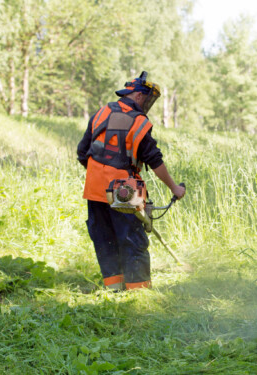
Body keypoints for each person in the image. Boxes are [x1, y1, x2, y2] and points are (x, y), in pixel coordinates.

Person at [77, 71, 185, 291]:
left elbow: (82, 153)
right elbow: (154, 160)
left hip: (94, 187)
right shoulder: (138, 121)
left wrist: (101, 173)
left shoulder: (101, 112)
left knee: (104, 238)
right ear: (137, 96)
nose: (147, 104)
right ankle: (138, 294)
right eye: (147, 99)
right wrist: (175, 188)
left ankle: (114, 289)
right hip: (123, 190)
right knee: (132, 239)